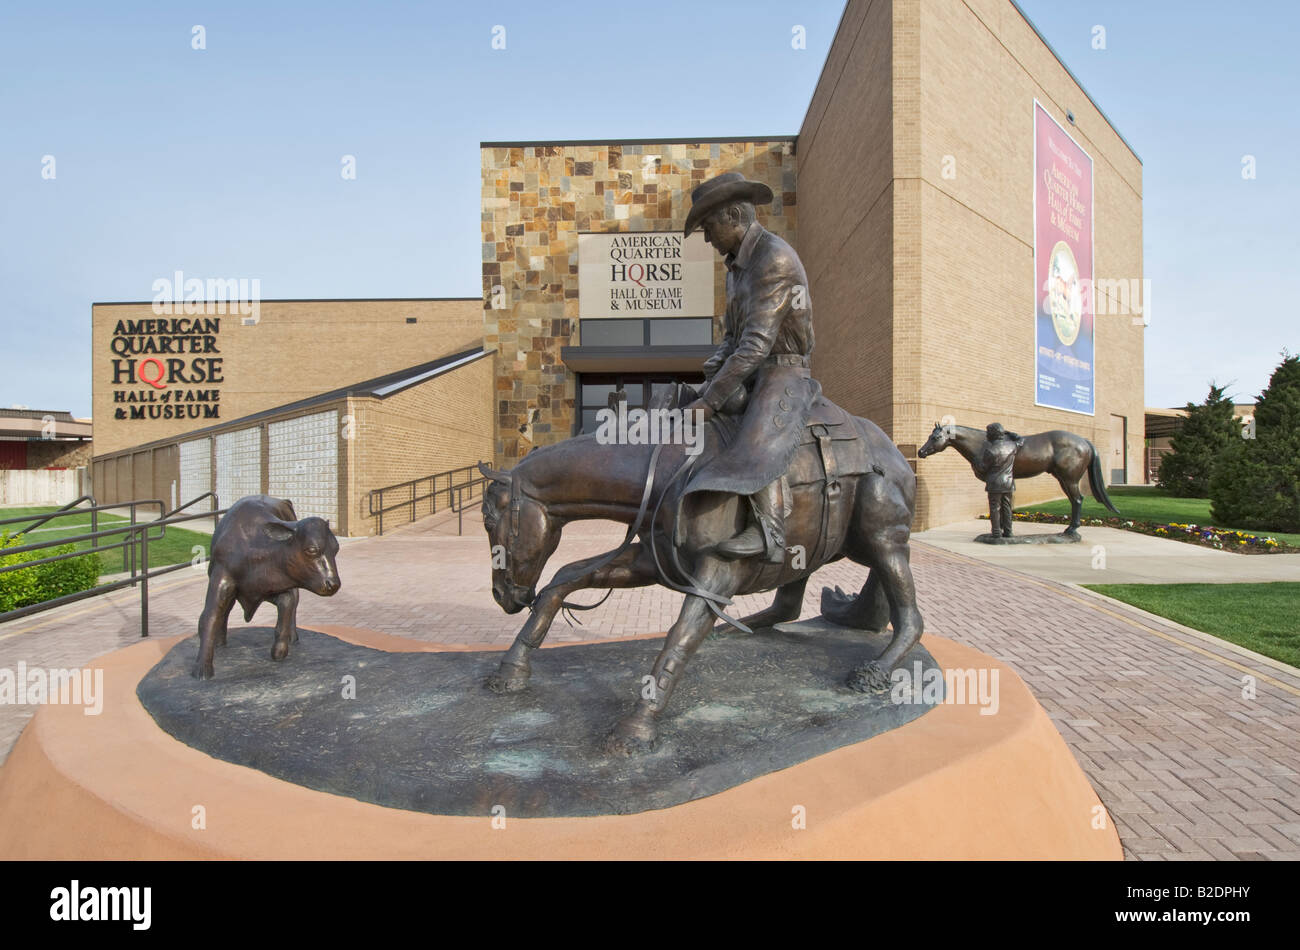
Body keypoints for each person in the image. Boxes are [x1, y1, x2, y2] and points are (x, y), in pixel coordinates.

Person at [680, 172, 815, 564]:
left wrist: (711, 401)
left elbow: (757, 343)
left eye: (709, 227)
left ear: (735, 215)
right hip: (754, 366)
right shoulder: (737, 267)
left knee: (758, 433)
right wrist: (712, 371)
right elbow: (732, 337)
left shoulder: (772, 258)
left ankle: (770, 532)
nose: (707, 238)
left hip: (782, 370)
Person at [982, 423, 1024, 538]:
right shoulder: (1012, 446)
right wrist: (1010, 433)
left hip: (995, 484)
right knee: (1007, 507)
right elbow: (1021, 439)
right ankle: (1008, 532)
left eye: (988, 432)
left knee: (995, 508)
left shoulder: (990, 451)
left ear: (992, 434)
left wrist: (975, 463)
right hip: (1008, 483)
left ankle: (996, 533)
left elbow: (983, 468)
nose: (986, 435)